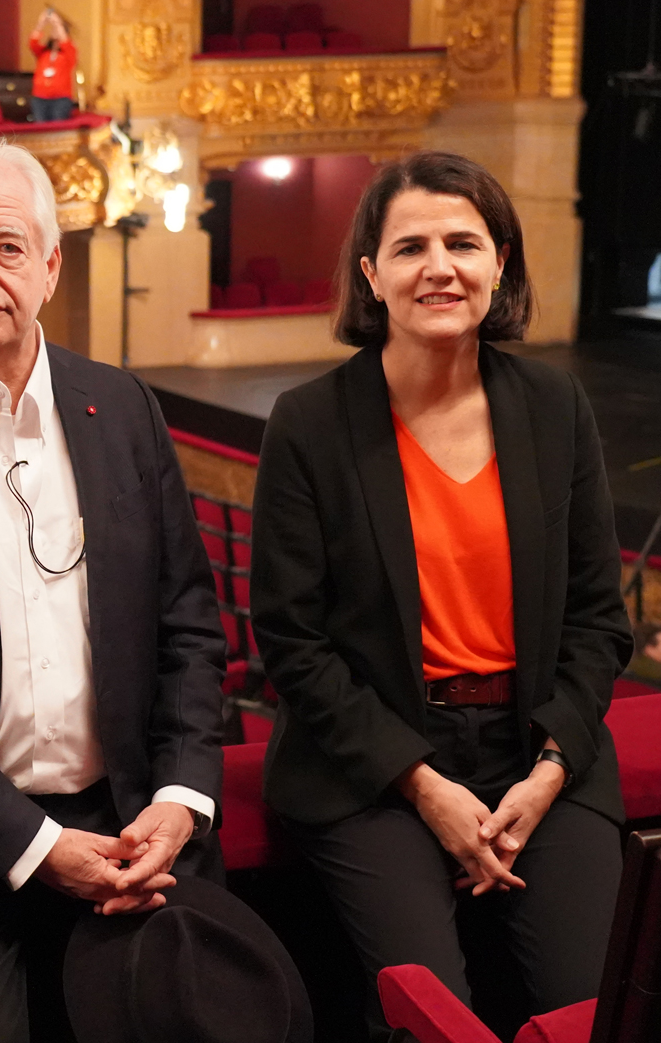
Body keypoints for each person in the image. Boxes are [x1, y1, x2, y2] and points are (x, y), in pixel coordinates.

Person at [0, 136, 310, 1043]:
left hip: (126, 817)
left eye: (8, 246)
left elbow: (189, 624)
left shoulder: (122, 406)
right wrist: (35, 847)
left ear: (50, 265)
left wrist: (182, 797)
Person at [250, 151, 632, 1041]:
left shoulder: (553, 405)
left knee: (596, 1008)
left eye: (464, 243)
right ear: (371, 274)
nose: (440, 267)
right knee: (434, 1020)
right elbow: (293, 644)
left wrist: (546, 774)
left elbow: (595, 619)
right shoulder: (309, 424)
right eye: (411, 246)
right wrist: (425, 786)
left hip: (539, 752)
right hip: (377, 767)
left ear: (500, 263)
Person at [28, 8, 76, 123]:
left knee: (56, 130)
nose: (54, 31)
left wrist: (57, 22)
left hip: (60, 100)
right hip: (40, 98)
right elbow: (32, 42)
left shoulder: (69, 53)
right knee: (40, 129)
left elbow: (65, 42)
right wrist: (41, 23)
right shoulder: (43, 53)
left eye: (57, 29)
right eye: (53, 29)